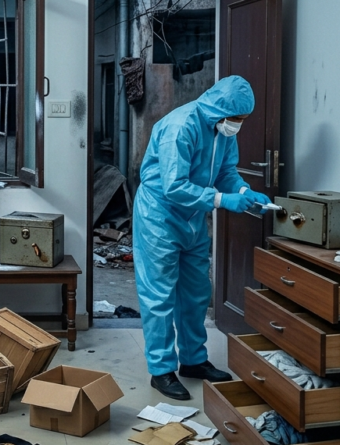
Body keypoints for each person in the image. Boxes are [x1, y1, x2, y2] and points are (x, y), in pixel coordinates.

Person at [132, 75, 271, 400]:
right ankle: (161, 370)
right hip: (160, 215)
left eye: (242, 120)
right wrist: (224, 201)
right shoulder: (180, 127)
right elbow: (174, 187)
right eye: (237, 119)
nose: (238, 125)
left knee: (196, 292)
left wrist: (243, 191)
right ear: (221, 109)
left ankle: (193, 360)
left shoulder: (223, 131)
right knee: (159, 295)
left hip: (193, 216)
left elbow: (225, 172)